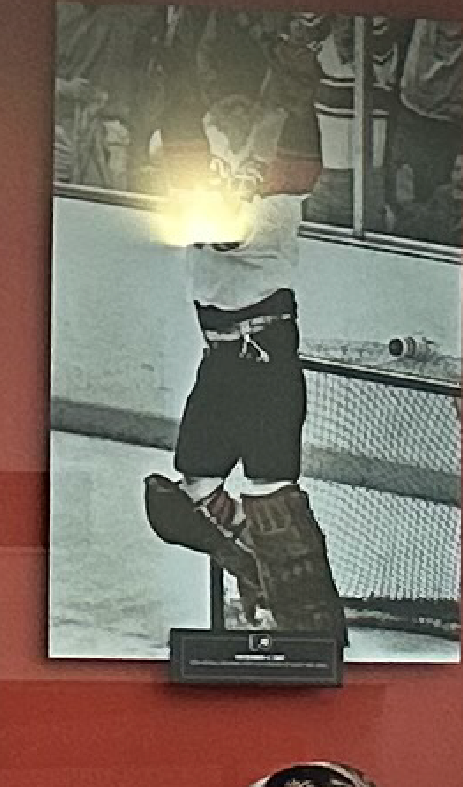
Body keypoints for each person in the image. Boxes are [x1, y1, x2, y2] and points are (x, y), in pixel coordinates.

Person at [140, 71, 347, 644]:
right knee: (183, 496)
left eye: (235, 155)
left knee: (270, 497)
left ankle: (307, 623)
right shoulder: (212, 194)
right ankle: (249, 557)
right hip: (221, 362)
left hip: (266, 367)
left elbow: (227, 229)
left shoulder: (274, 209)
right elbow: (183, 157)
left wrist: (215, 174)